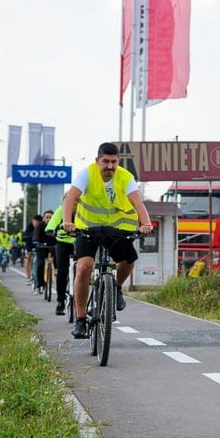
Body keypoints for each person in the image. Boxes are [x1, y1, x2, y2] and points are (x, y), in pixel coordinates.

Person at [62, 142, 153, 339]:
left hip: (117, 230)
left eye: (113, 162)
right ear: (97, 161)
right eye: (105, 162)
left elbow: (137, 201)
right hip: (88, 229)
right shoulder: (87, 174)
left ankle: (117, 288)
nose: (110, 166)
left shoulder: (126, 177)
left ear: (118, 161)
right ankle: (80, 320)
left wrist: (146, 223)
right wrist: (67, 221)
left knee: (129, 259)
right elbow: (71, 197)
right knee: (84, 266)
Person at [45, 202, 76, 316]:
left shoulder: (84, 208)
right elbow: (53, 221)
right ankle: (60, 302)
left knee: (82, 270)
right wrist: (50, 229)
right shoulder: (62, 209)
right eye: (73, 201)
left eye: (77, 201)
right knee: (62, 271)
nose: (75, 204)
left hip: (79, 242)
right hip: (63, 242)